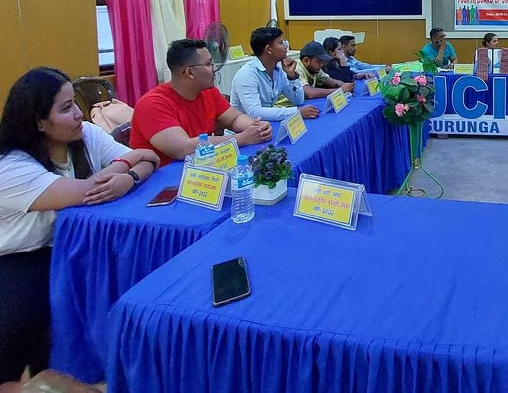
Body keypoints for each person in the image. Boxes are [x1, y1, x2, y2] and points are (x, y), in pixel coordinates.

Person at [0, 68, 159, 383]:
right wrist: (128, 164)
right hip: (22, 259)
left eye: (74, 103)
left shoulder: (86, 134)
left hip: (73, 245)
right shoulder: (11, 167)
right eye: (65, 108)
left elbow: (148, 159)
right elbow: (87, 193)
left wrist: (128, 177)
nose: (78, 114)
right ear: (39, 122)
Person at [130, 39, 273, 164]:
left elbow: (234, 118)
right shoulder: (152, 104)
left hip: (202, 167)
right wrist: (242, 138)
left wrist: (256, 127)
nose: (214, 69)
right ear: (190, 72)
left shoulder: (208, 91)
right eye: (209, 64)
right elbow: (182, 149)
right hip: (163, 178)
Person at [230, 27, 319, 122]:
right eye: (281, 43)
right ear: (269, 49)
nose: (285, 46)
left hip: (265, 125)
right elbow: (254, 112)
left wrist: (292, 76)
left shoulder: (278, 70)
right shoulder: (246, 75)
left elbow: (299, 100)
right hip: (241, 129)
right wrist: (296, 112)